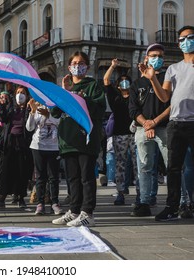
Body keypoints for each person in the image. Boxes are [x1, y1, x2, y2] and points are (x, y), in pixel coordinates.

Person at [140, 26, 194, 221]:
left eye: (189, 38)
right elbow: (164, 97)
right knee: (173, 168)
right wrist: (153, 77)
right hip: (176, 124)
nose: (185, 42)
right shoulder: (173, 68)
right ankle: (172, 206)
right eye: (181, 39)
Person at [51, 51, 106, 227]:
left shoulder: (93, 86)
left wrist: (83, 98)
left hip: (86, 139)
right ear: (69, 67)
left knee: (86, 177)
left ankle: (87, 213)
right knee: (72, 178)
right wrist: (63, 92)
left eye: (81, 63)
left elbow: (99, 110)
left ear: (87, 67)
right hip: (68, 141)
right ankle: (74, 210)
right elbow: (55, 112)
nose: (77, 66)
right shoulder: (67, 88)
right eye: (74, 63)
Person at [129, 43, 170, 217]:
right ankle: (144, 201)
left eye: (160, 56)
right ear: (146, 58)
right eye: (153, 55)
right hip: (142, 129)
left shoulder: (167, 79)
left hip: (164, 128)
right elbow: (133, 109)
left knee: (173, 166)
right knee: (144, 167)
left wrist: (154, 122)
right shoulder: (137, 83)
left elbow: (170, 104)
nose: (157, 59)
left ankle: (181, 201)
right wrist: (146, 123)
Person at [0, 85, 34, 209]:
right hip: (9, 142)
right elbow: (3, 118)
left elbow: (29, 125)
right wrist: (2, 105)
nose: (20, 95)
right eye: (18, 92)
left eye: (23, 93)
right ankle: (2, 197)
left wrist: (30, 109)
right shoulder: (11, 107)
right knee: (5, 170)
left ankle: (20, 197)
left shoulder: (29, 108)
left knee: (21, 171)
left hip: (23, 142)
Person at [103, 59, 138, 206]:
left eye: (127, 80)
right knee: (120, 165)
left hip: (135, 133)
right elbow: (105, 79)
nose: (125, 83)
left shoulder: (135, 96)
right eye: (122, 81)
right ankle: (120, 193)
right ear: (118, 85)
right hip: (119, 134)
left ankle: (141, 194)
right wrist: (112, 66)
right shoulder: (114, 96)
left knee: (138, 165)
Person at [26, 98, 62, 215]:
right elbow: (29, 128)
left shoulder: (57, 107)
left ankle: (54, 202)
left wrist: (49, 115)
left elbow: (60, 123)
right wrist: (32, 111)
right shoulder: (37, 108)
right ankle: (40, 203)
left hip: (54, 147)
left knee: (53, 176)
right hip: (38, 146)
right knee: (40, 176)